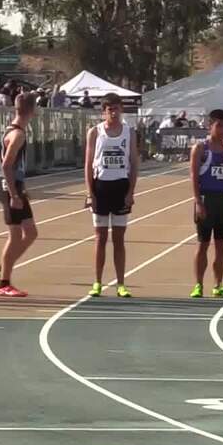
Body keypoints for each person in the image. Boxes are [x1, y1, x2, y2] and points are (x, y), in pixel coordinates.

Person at [84, 93, 138, 298]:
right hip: (100, 188)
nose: (113, 113)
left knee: (119, 238)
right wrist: (90, 193)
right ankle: (97, 282)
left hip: (121, 188)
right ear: (104, 111)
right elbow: (88, 164)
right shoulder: (95, 133)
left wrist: (131, 192)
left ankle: (121, 284)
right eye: (109, 109)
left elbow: (134, 163)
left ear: (121, 109)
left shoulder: (129, 133)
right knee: (100, 238)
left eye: (116, 109)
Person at [189, 109, 223, 298]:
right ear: (209, 125)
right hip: (206, 199)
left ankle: (218, 285)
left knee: (221, 245)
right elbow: (193, 176)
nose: (222, 130)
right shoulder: (200, 148)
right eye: (218, 125)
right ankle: (198, 285)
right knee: (203, 244)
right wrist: (197, 202)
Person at [0, 93, 39, 297]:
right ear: (32, 110)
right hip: (9, 187)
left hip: (14, 185)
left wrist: (22, 187)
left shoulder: (13, 129)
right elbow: (6, 165)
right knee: (17, 235)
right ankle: (4, 281)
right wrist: (13, 193)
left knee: (29, 233)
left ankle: (4, 269)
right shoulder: (18, 134)